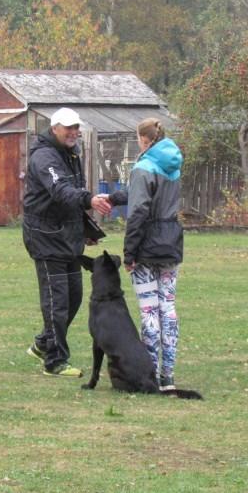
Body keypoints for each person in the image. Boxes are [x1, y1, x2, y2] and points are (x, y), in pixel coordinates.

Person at [23, 107, 112, 377]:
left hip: (68, 237)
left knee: (73, 298)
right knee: (56, 301)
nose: (74, 132)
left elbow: (69, 197)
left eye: (76, 127)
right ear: (55, 129)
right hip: (46, 237)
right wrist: (89, 200)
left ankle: (43, 342)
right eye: (68, 128)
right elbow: (60, 190)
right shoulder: (44, 157)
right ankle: (55, 361)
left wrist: (85, 229)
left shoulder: (71, 153)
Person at [108, 117, 184, 391]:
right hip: (171, 240)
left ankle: (149, 372)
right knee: (169, 309)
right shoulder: (172, 163)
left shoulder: (142, 167)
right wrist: (117, 196)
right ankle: (169, 375)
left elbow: (139, 210)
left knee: (149, 310)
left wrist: (129, 254)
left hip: (147, 245)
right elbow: (152, 196)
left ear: (144, 140)